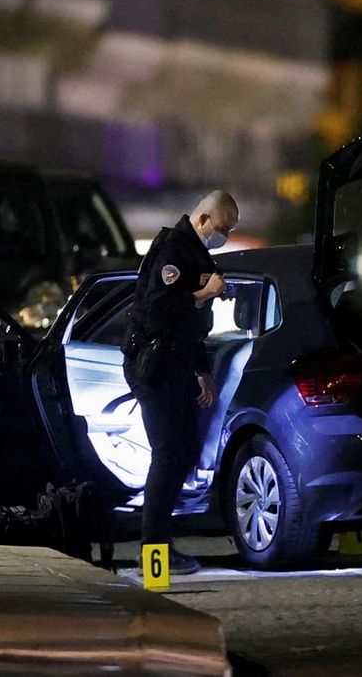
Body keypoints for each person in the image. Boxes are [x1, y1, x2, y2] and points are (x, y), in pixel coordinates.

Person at [123, 190, 238, 575]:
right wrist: (204, 293)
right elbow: (158, 310)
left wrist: (201, 370)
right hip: (154, 365)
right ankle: (154, 549)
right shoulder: (173, 250)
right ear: (203, 220)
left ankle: (161, 543)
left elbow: (191, 327)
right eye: (223, 228)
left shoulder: (195, 253)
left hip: (177, 363)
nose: (224, 237)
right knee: (169, 454)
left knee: (182, 452)